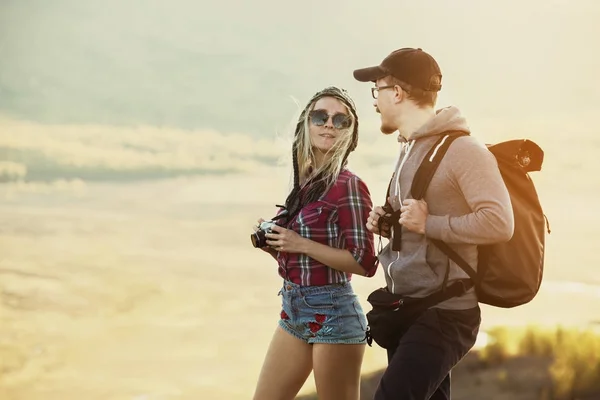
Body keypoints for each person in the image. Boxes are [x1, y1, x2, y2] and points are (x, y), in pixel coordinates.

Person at [352, 48, 515, 399]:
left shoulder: (464, 150)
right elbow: (417, 216)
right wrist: (388, 223)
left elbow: (500, 222)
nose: (375, 101)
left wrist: (430, 224)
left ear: (396, 92)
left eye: (376, 90)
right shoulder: (409, 147)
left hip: (445, 314)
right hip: (407, 309)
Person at [251, 86, 378, 400]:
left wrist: (299, 243)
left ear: (351, 133)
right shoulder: (304, 181)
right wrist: (277, 246)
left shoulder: (349, 185)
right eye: (320, 116)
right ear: (306, 125)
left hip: (334, 312)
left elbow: (365, 262)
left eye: (340, 120)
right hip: (293, 310)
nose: (329, 124)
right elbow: (302, 258)